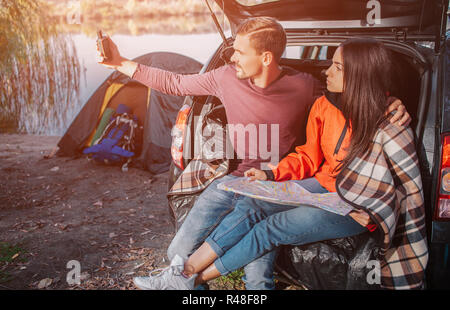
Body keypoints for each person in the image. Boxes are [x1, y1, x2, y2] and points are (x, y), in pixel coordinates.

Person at [97, 17, 410, 289]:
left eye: (239, 51)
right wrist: (119, 63)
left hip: (280, 185)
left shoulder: (306, 87)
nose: (231, 57)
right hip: (239, 180)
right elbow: (174, 82)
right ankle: (183, 278)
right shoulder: (225, 78)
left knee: (258, 256)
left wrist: (390, 100)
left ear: (266, 57)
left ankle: (214, 281)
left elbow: (358, 93)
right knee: (176, 251)